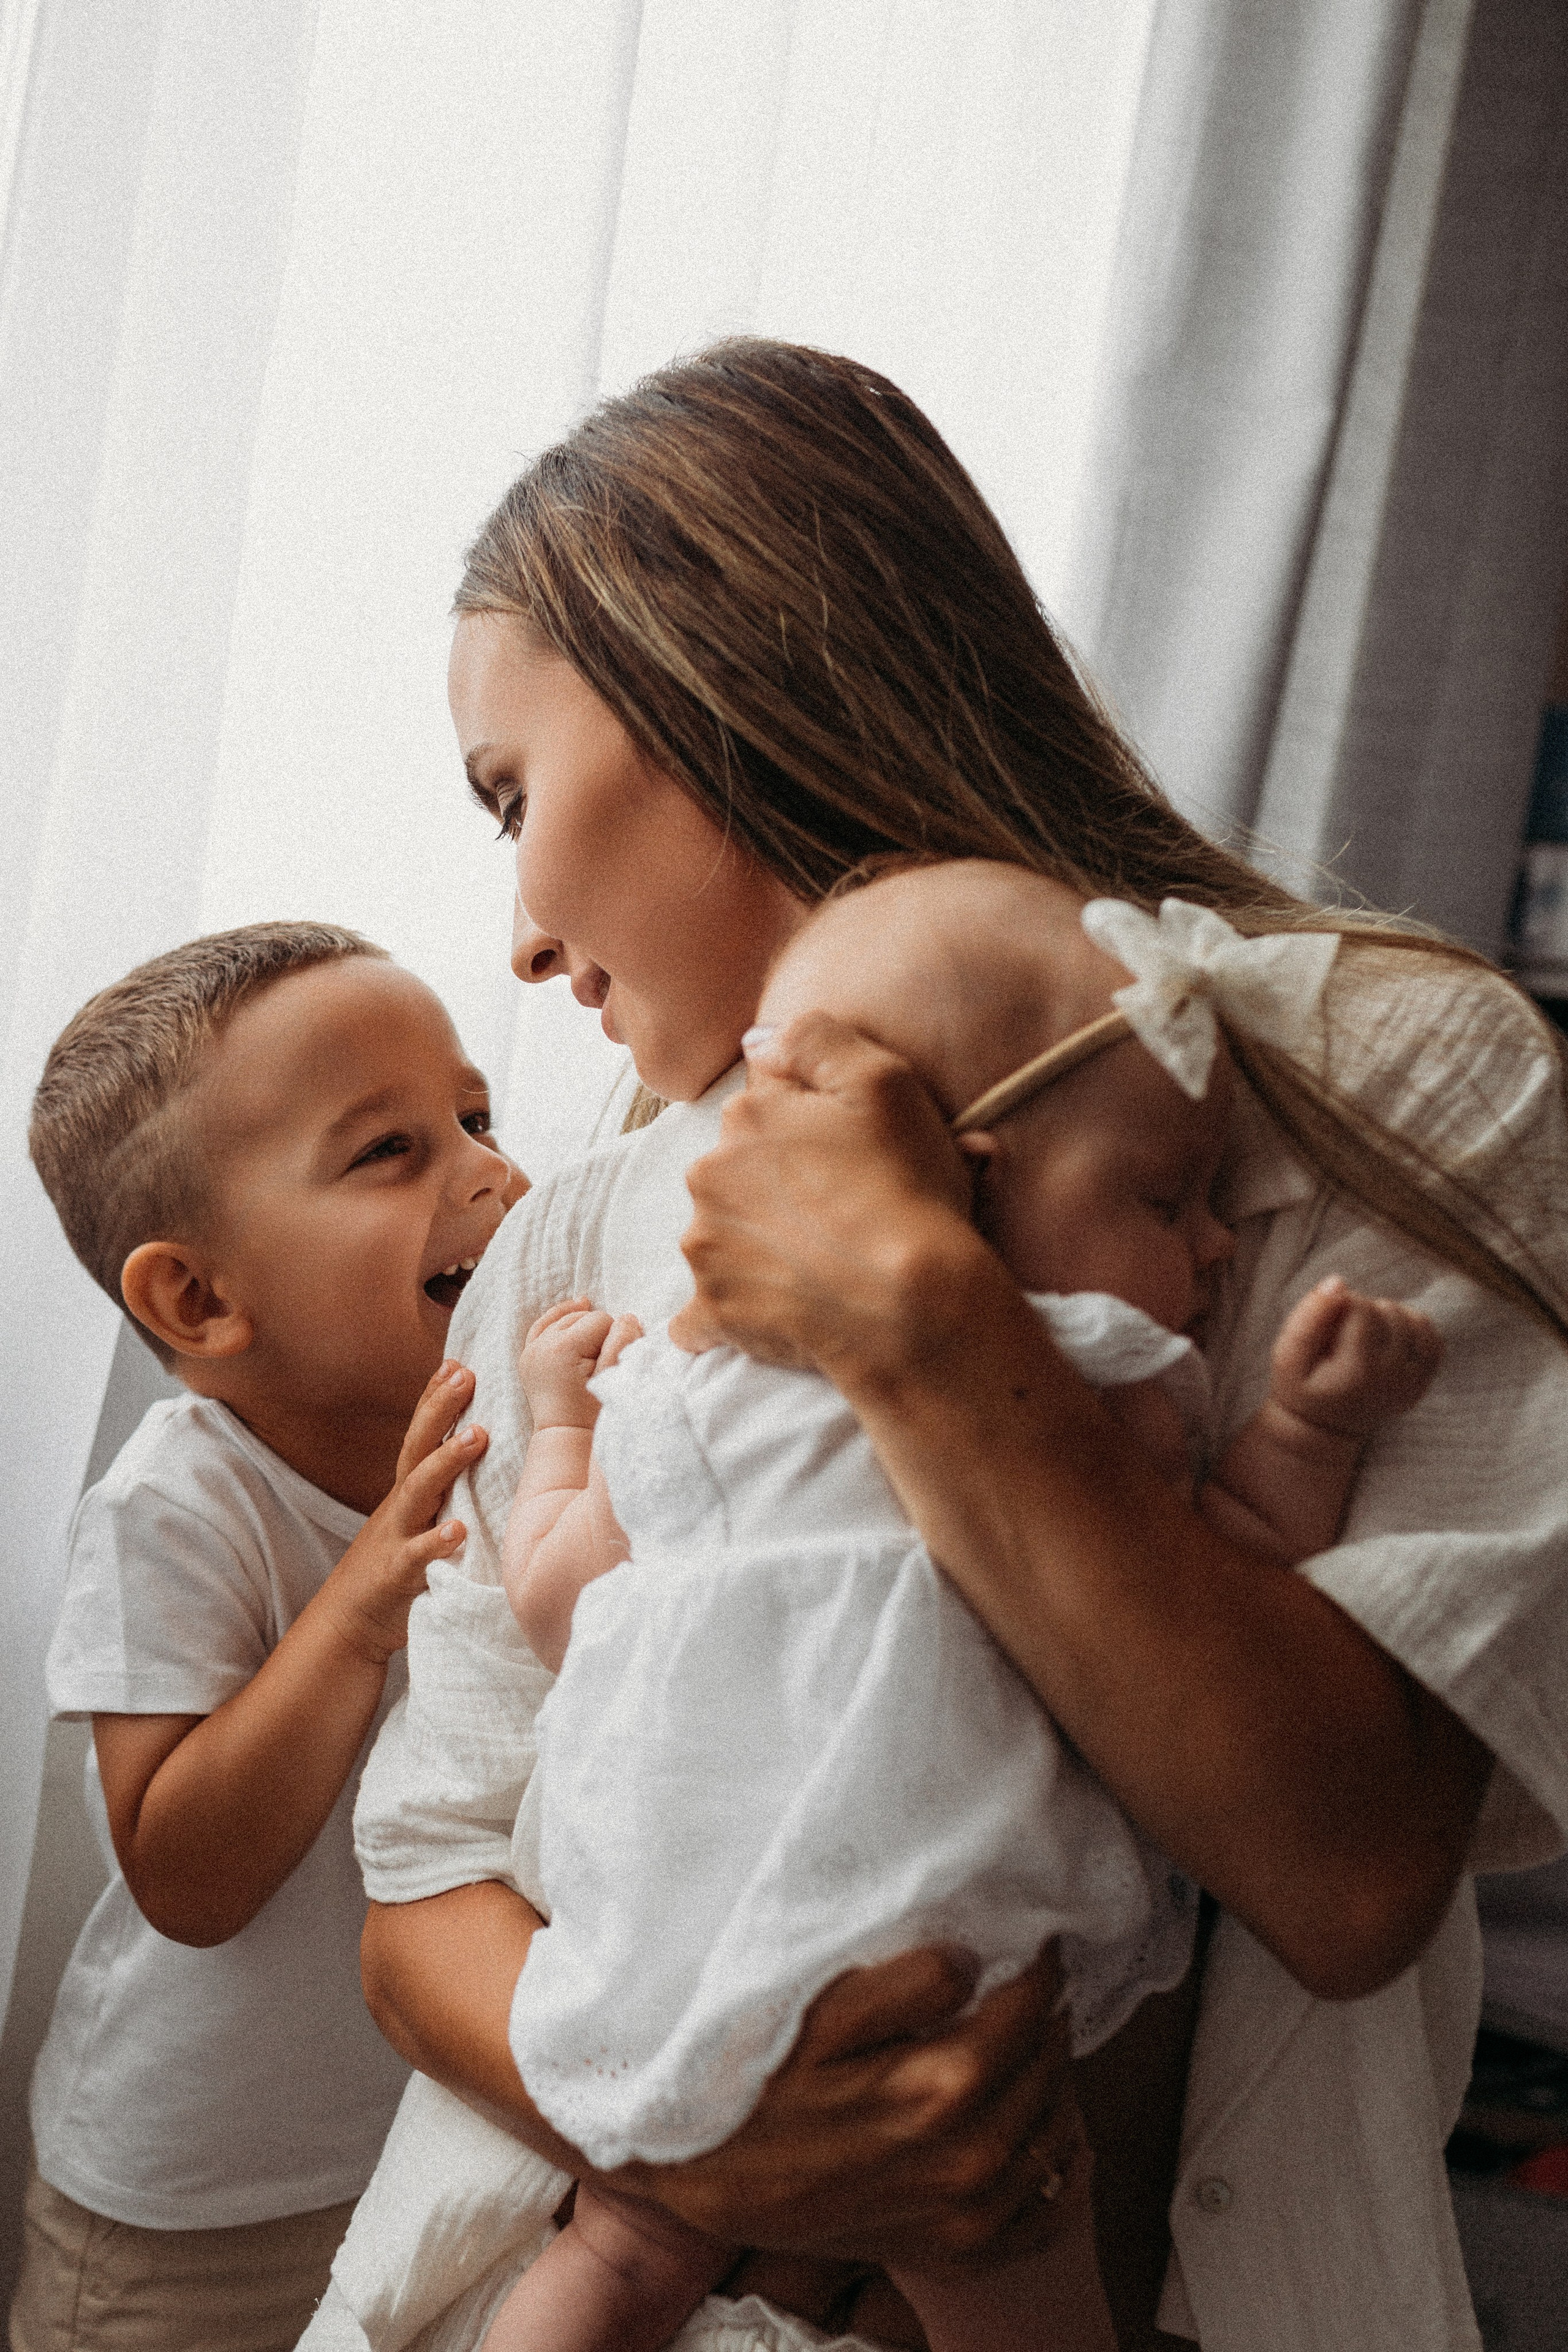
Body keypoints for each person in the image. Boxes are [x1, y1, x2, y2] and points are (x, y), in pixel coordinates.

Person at [312, 339, 1568, 2352]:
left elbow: (1345, 1873)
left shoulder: (1374, 1086)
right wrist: (726, 2153)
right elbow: (420, 1893)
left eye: (511, 799)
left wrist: (916, 1315)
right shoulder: (579, 1231)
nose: (525, 938)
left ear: (705, 681)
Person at [478, 861, 1444, 2352]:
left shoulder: (689, 1380)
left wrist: (559, 1430)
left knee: (612, 2260)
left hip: (678, 1953)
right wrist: (1306, 1437)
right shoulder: (1103, 1396)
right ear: (976, 1183)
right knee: (1015, 2268)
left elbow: (559, 1605)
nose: (1217, 1246)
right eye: (1165, 1198)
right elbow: (1240, 1558)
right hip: (947, 1989)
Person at [12, 923, 523, 2352]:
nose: (489, 1172)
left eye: (477, 1118)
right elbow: (184, 1876)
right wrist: (357, 1606)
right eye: (390, 1152)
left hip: (420, 2147)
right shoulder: (178, 1503)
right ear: (200, 1299)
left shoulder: (514, 1433)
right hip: (190, 2207)